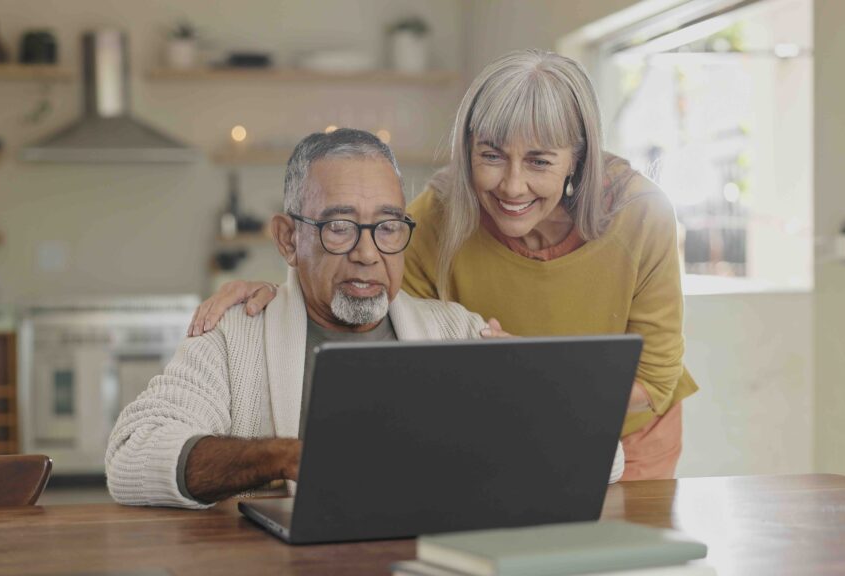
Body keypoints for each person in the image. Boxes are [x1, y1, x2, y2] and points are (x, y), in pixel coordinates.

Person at [188, 50, 698, 482]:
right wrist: (287, 286)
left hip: (630, 433)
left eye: (540, 161)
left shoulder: (642, 215)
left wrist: (540, 375)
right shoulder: (434, 218)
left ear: (578, 160)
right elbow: (364, 294)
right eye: (491, 156)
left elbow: (654, 379)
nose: (512, 186)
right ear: (467, 147)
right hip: (512, 428)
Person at [106, 128, 626, 509]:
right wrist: (285, 457)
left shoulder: (456, 332)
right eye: (338, 228)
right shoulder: (234, 334)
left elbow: (610, 460)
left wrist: (532, 393)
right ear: (289, 239)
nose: (367, 253)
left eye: (387, 227)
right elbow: (131, 458)